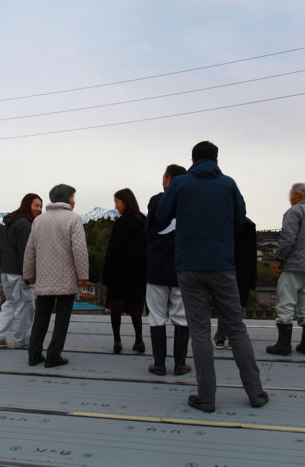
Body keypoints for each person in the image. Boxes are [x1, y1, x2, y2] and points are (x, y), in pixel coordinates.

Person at [158, 141, 268, 412]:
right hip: (222, 265)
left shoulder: (180, 184)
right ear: (217, 161)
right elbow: (241, 218)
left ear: (192, 160)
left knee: (200, 331)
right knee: (236, 327)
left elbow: (161, 216)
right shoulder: (229, 184)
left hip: (189, 267)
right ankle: (255, 393)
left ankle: (206, 398)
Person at [24, 184, 89, 368]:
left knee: (41, 315)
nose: (74, 201)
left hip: (44, 277)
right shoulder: (74, 219)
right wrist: (82, 274)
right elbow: (79, 250)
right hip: (66, 277)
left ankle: (34, 354)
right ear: (67, 199)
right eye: (73, 197)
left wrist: (29, 273)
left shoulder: (39, 221)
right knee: (62, 317)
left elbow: (30, 250)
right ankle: (53, 355)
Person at [266, 183, 305, 356]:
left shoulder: (294, 212)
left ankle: (284, 345)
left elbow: (287, 238)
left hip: (294, 264)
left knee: (286, 302)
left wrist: (279, 259)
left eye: (291, 194)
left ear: (299, 195)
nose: (289, 197)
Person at [145, 165, 191, 375]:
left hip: (156, 267)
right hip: (182, 266)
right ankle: (180, 364)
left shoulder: (157, 201)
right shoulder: (191, 202)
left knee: (156, 316)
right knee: (181, 316)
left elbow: (147, 232)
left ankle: (159, 364)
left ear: (168, 178)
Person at [0, 193, 43, 348]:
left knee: (11, 303)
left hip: (7, 271)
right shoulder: (25, 225)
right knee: (25, 307)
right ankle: (21, 341)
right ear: (27, 205)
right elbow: (25, 253)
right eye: (36, 205)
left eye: (40, 206)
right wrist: (29, 275)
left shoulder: (12, 222)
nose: (39, 209)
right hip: (20, 273)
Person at [103, 188, 147, 354]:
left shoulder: (120, 223)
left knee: (116, 308)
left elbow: (112, 251)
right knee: (136, 309)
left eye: (117, 203)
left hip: (119, 274)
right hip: (138, 274)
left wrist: (107, 275)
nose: (116, 206)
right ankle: (139, 340)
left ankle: (117, 341)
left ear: (125, 202)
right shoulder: (144, 220)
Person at [213, 217, 257, 349]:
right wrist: (253, 277)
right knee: (237, 304)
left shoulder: (221, 222)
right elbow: (252, 253)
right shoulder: (249, 225)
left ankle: (221, 336)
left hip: (224, 267)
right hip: (243, 269)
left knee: (222, 303)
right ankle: (234, 338)